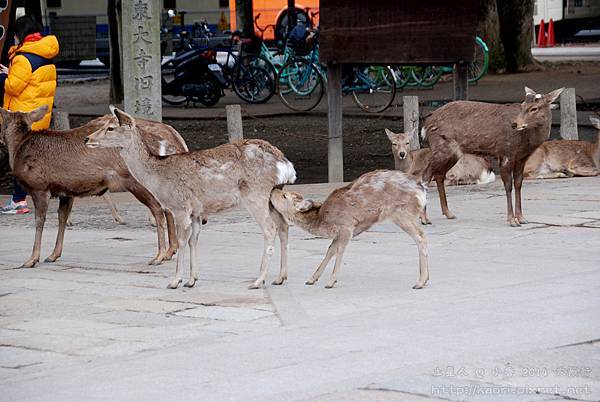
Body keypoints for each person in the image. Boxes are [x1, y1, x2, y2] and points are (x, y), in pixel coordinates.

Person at [0, 16, 59, 214]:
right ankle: (36, 196)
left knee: (19, 159)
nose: (15, 39)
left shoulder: (23, 57)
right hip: (39, 114)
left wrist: (3, 77)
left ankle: (18, 201)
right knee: (33, 160)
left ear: (20, 35)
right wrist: (11, 71)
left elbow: (13, 87)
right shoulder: (45, 53)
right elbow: (33, 80)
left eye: (16, 35)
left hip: (22, 118)